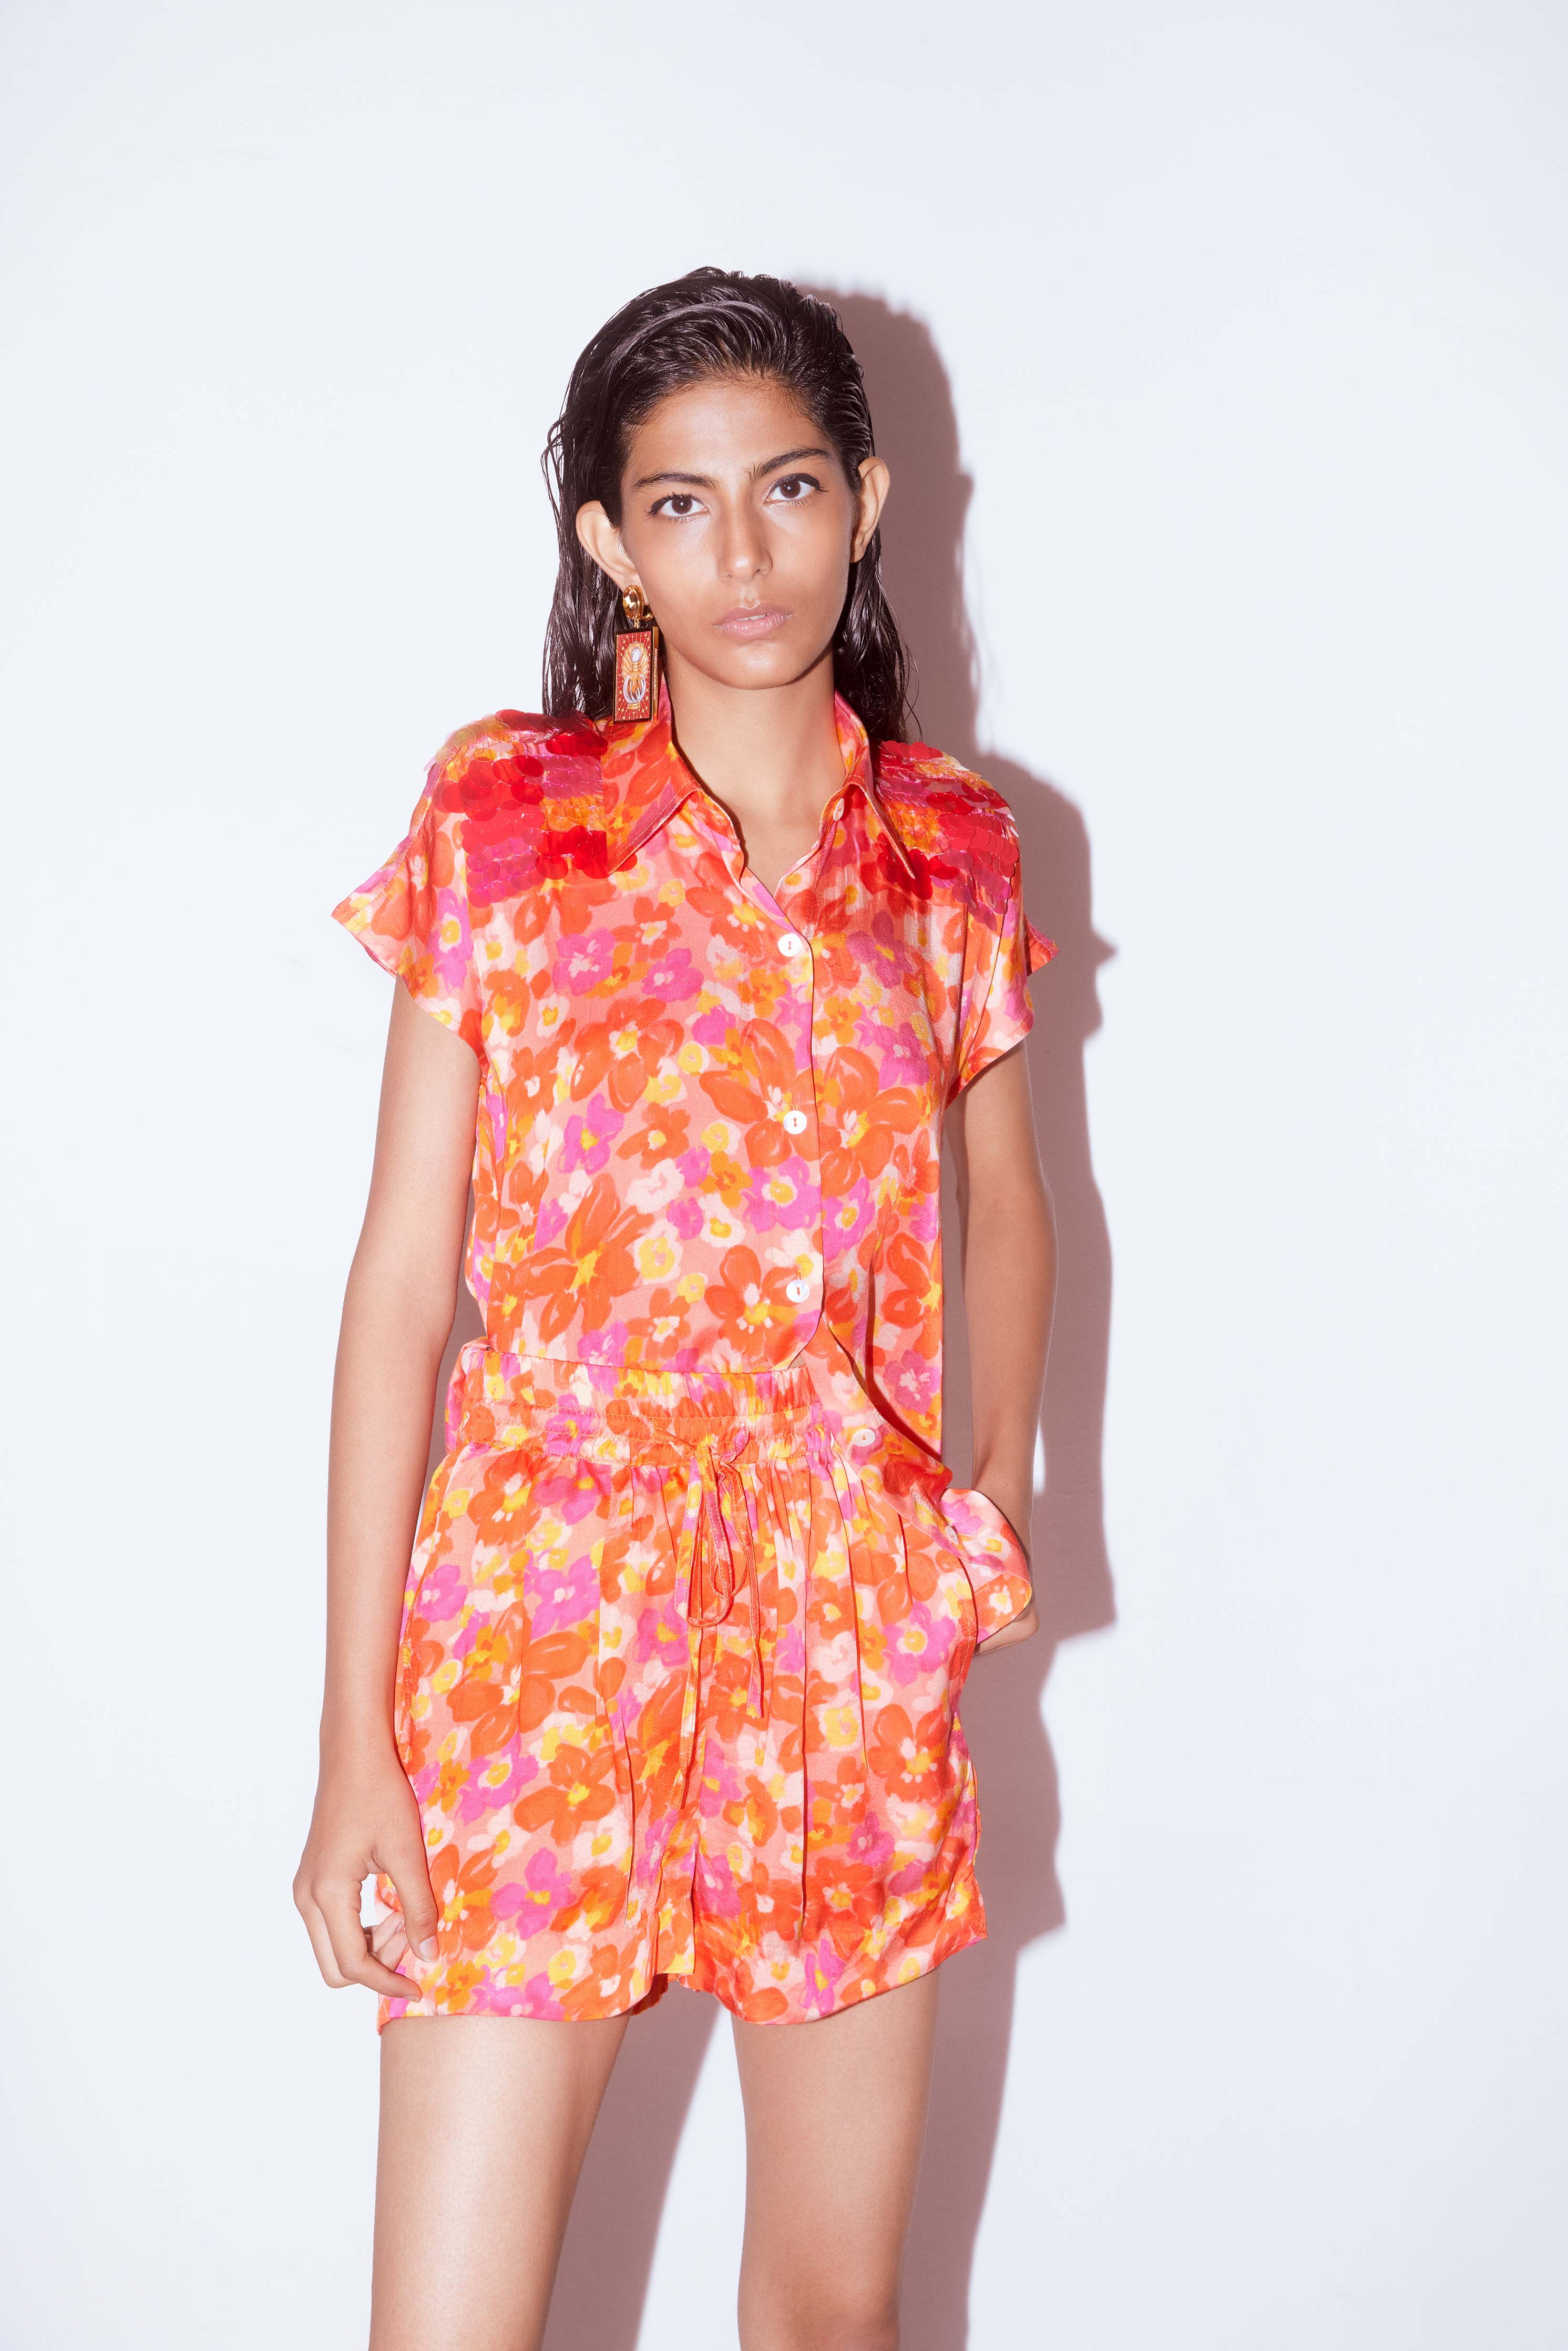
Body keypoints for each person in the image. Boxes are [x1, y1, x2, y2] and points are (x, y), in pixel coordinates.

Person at [294, 265, 1058, 2351]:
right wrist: (353, 1745)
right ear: (610, 540)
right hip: (535, 1620)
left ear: (863, 501)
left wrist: (989, 1487)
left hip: (844, 1621)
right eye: (681, 502)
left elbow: (1005, 1197)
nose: (744, 552)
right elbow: (399, 1285)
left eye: (788, 487)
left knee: (827, 2314)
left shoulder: (952, 850)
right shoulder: (505, 814)